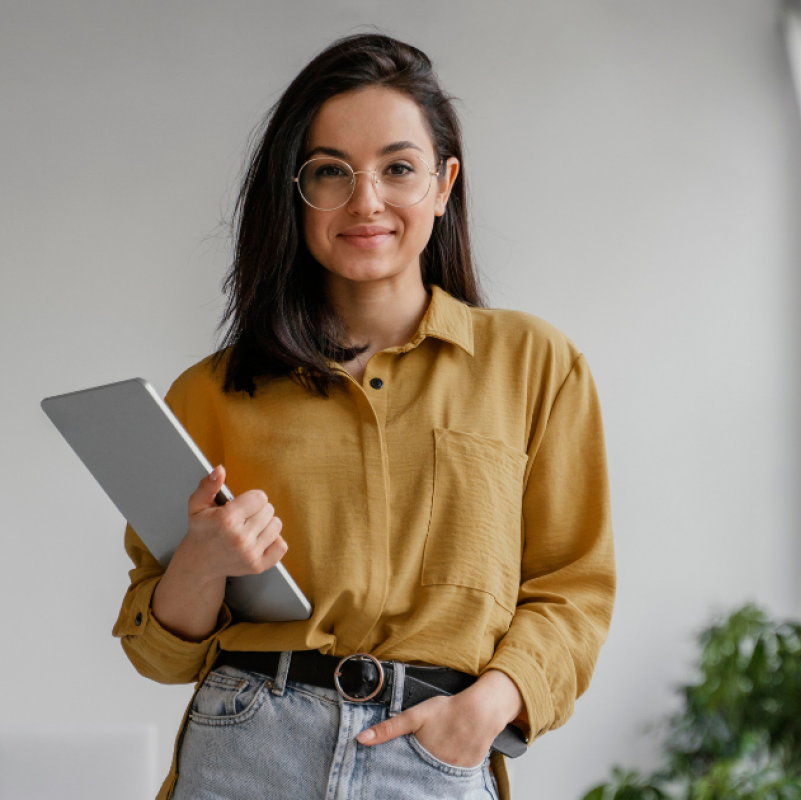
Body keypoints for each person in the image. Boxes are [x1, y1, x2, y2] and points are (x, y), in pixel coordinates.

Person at [111, 32, 616, 800]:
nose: (365, 201)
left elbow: (572, 589)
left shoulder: (535, 365)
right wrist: (201, 564)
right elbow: (162, 655)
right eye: (330, 173)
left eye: (397, 168)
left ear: (444, 185)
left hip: (434, 754)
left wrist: (488, 706)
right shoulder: (209, 394)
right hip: (246, 746)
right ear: (295, 191)